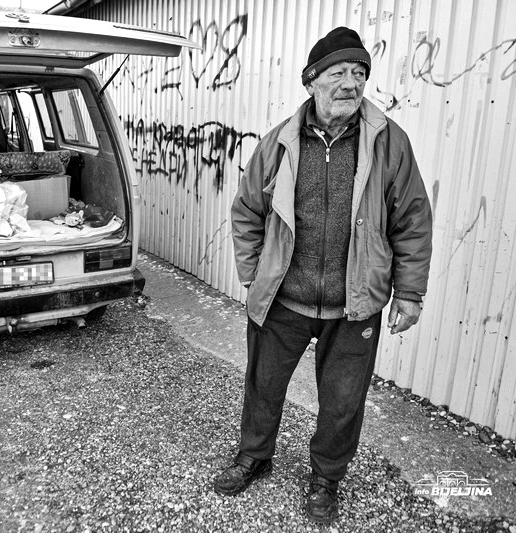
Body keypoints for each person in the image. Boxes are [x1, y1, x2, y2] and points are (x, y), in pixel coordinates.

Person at [216, 27, 433, 524]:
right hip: (284, 299)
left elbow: (412, 220)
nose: (350, 84)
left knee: (342, 401)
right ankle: (254, 456)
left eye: (359, 74)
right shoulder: (280, 142)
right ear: (311, 81)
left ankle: (325, 478)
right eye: (338, 73)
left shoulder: (388, 143)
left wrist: (410, 293)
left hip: (353, 302)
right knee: (263, 385)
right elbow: (247, 209)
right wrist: (253, 274)